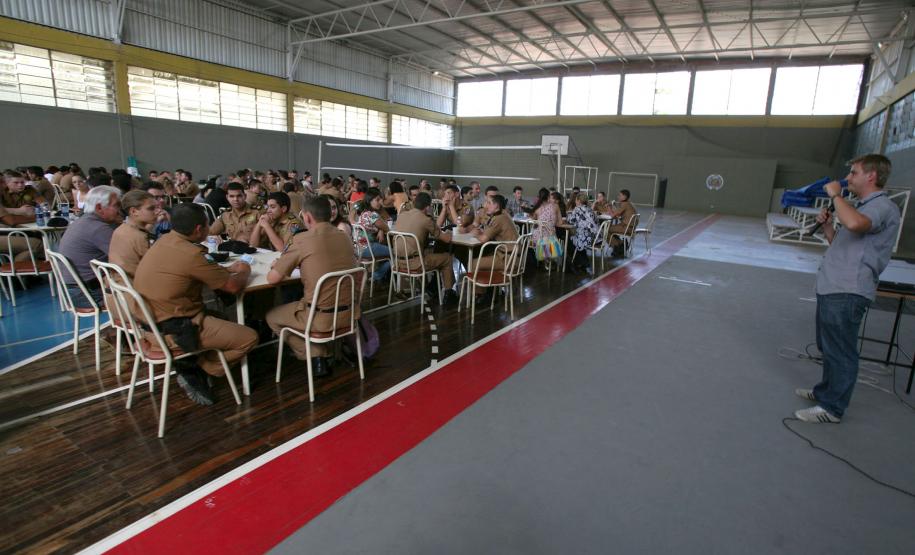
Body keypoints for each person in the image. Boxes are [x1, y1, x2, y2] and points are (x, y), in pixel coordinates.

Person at [795, 154, 900, 424]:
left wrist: (835, 196)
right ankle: (825, 392)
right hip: (833, 285)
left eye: (853, 173)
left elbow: (855, 224)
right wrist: (828, 227)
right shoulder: (861, 206)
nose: (847, 178)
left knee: (841, 351)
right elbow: (842, 245)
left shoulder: (882, 207)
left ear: (871, 176)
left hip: (848, 290)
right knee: (829, 347)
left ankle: (832, 408)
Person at [133, 203, 258, 405]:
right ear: (199, 229)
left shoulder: (164, 241)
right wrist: (245, 271)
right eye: (208, 225)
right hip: (176, 331)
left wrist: (224, 269)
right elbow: (233, 286)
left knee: (221, 317)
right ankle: (199, 366)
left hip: (149, 325)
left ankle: (195, 362)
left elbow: (193, 269)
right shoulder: (192, 254)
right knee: (249, 337)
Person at [265, 197, 361, 378]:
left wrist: (278, 265)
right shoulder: (345, 237)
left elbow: (273, 279)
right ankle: (320, 356)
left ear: (307, 217)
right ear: (330, 214)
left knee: (272, 317)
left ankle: (317, 355)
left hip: (318, 318)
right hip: (350, 314)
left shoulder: (301, 240)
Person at [57, 186, 122, 308]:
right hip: (89, 295)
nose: (119, 210)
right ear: (99, 208)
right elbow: (126, 257)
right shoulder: (99, 229)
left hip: (73, 291)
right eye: (116, 205)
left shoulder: (83, 221)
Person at [392, 193, 458, 305]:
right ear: (427, 207)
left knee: (430, 252)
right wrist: (451, 232)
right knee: (447, 258)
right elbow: (446, 239)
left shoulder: (402, 215)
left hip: (398, 262)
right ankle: (449, 294)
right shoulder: (425, 220)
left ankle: (432, 287)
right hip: (415, 263)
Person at [108, 190, 157, 278]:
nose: (157, 211)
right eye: (151, 208)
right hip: (135, 283)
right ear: (134, 211)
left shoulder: (120, 229)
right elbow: (155, 265)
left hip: (117, 282)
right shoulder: (140, 237)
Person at [354, 189, 391, 282]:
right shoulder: (373, 215)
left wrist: (380, 230)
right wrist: (382, 229)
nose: (380, 202)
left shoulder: (364, 212)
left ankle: (380, 277)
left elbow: (382, 226)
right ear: (369, 201)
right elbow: (387, 228)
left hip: (358, 249)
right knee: (396, 254)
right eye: (377, 200)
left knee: (387, 253)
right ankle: (376, 276)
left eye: (380, 199)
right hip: (368, 248)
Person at [566, 193, 600, 272]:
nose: (575, 201)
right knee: (577, 237)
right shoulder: (590, 209)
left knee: (568, 241)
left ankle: (580, 262)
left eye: (576, 200)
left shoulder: (577, 209)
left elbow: (571, 221)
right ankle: (584, 261)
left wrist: (567, 216)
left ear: (578, 200)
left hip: (586, 239)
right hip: (596, 238)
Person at [531, 189, 562, 265]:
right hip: (550, 238)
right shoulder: (555, 206)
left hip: (537, 239)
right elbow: (560, 223)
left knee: (535, 234)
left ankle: (543, 259)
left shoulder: (537, 208)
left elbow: (533, 221)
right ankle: (548, 259)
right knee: (552, 236)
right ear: (548, 196)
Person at [607, 189, 637, 255]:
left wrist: (609, 207)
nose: (618, 197)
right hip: (629, 227)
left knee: (605, 230)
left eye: (620, 195)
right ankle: (621, 244)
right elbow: (618, 215)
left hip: (627, 228)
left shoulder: (624, 204)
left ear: (624, 197)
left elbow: (612, 216)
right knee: (609, 229)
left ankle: (617, 246)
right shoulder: (628, 203)